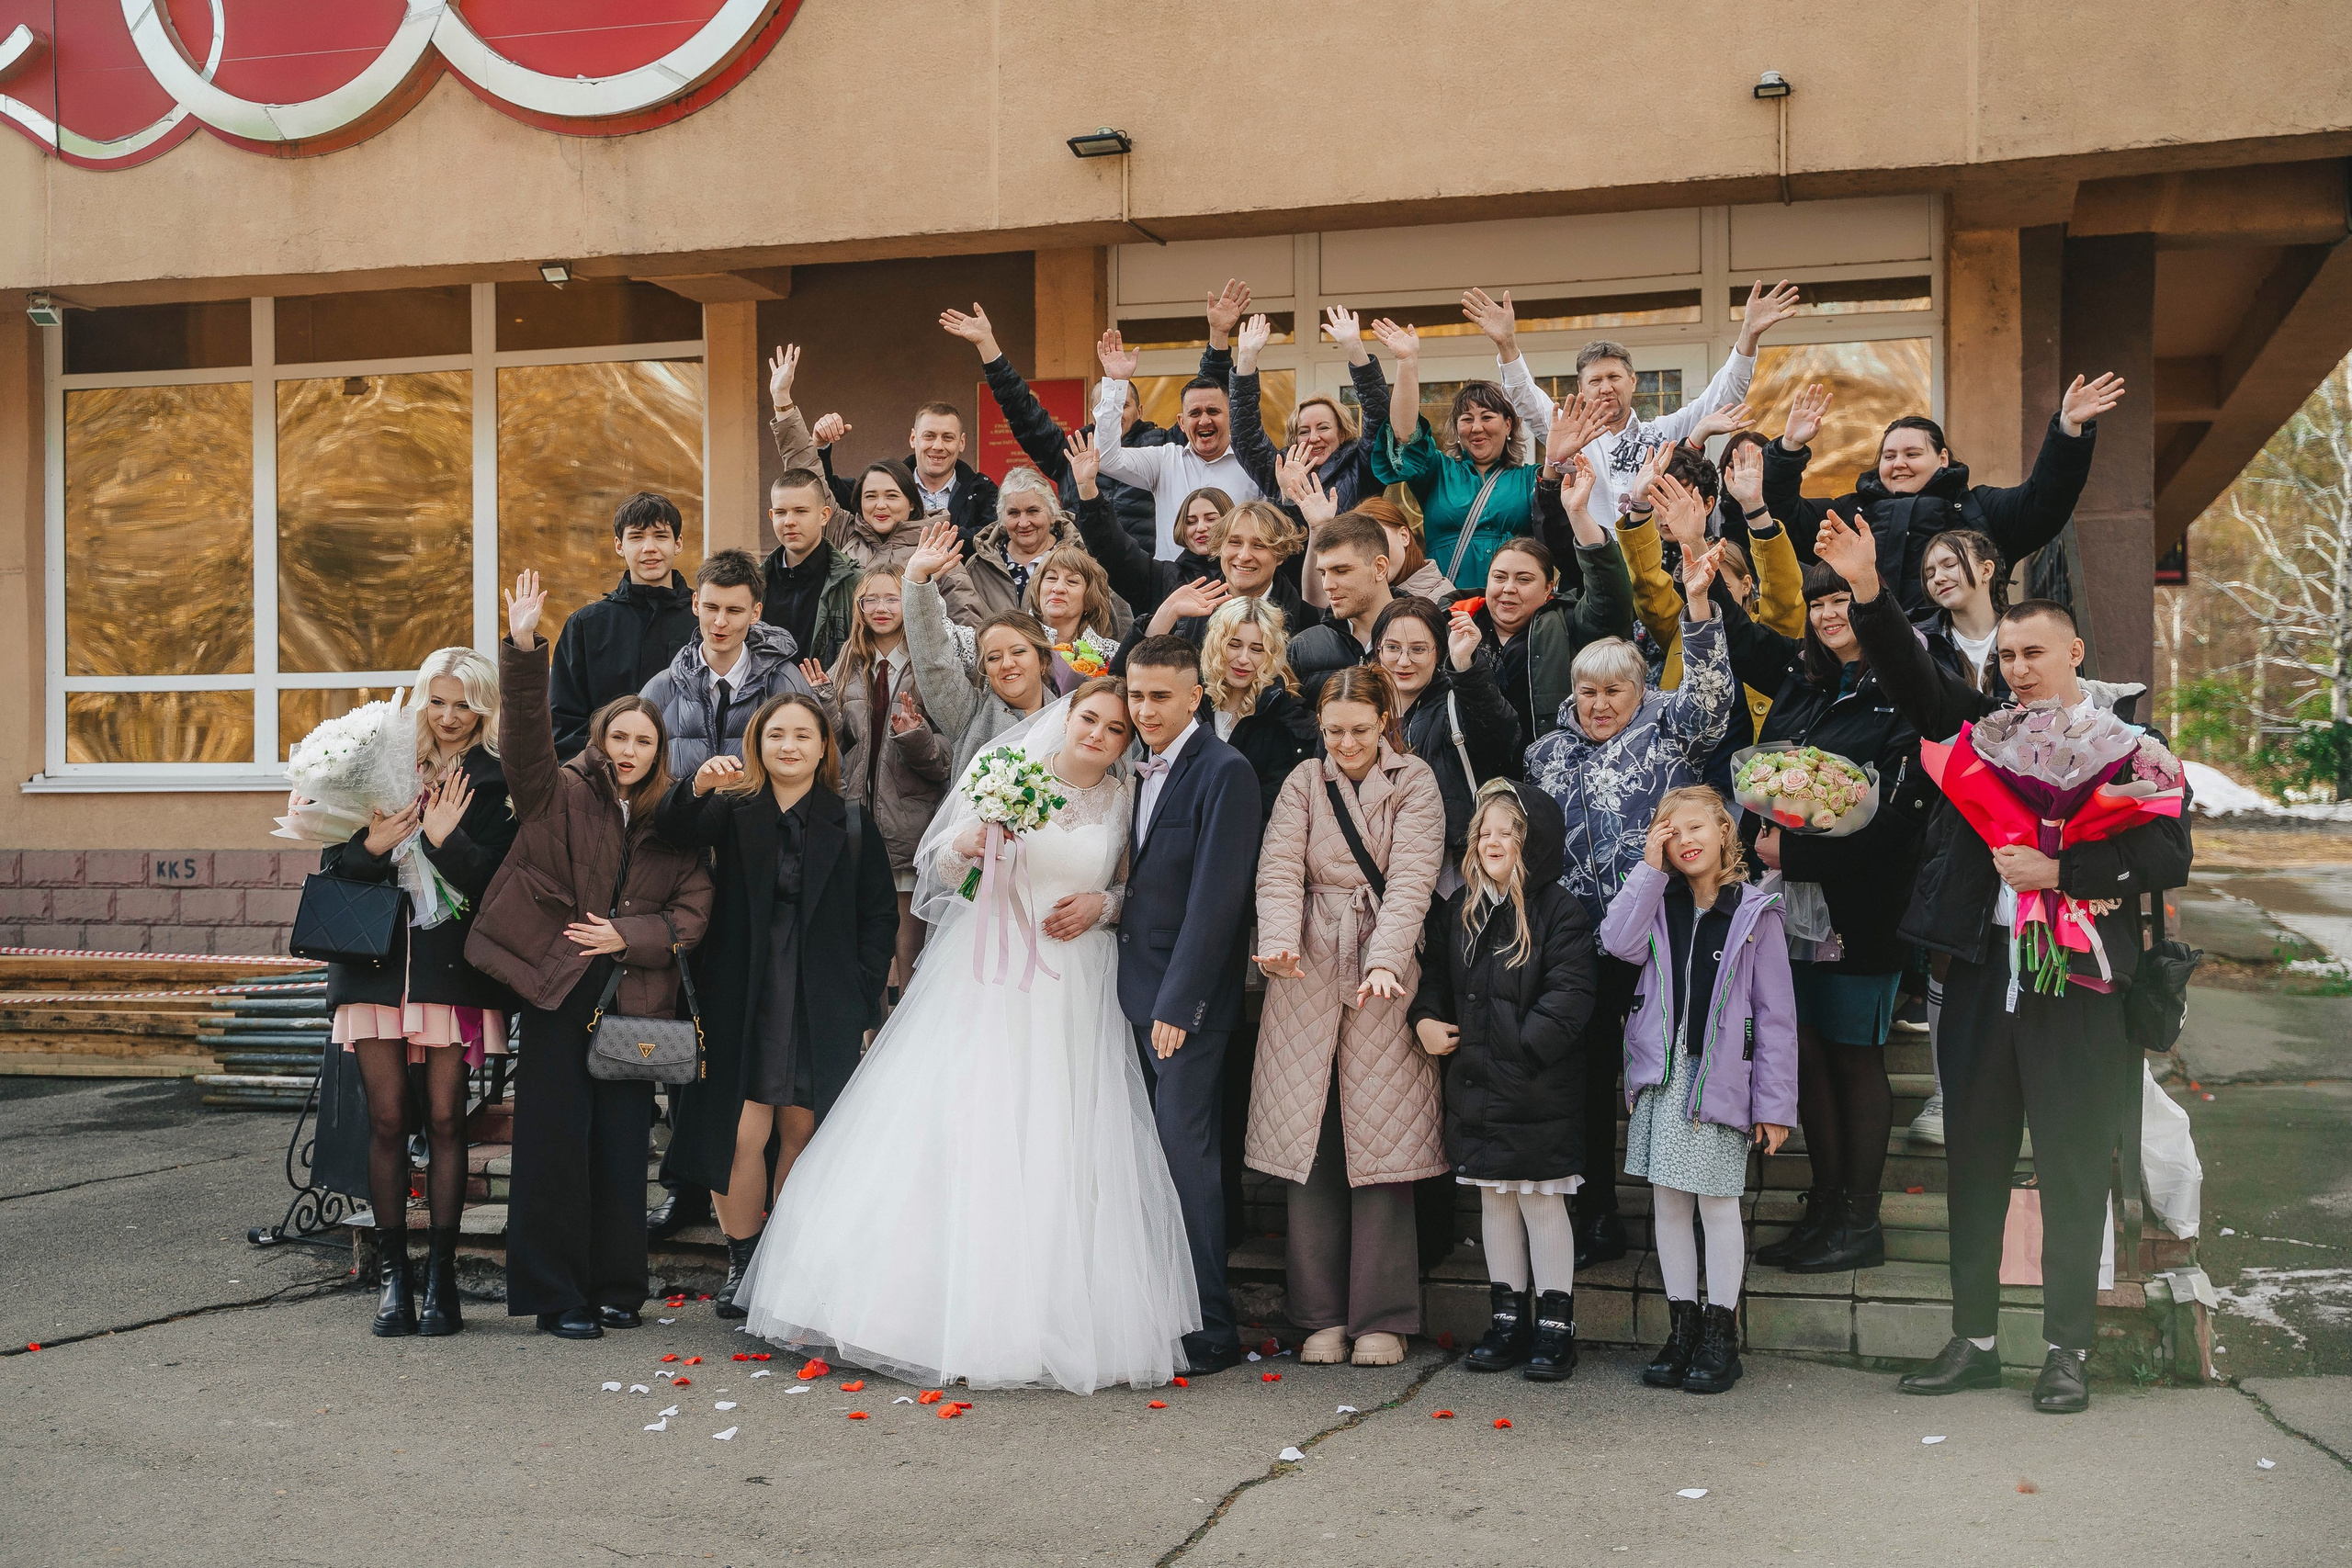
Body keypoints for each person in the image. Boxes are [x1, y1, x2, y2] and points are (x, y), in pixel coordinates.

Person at [1815, 511, 2193, 1416]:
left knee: (2069, 1168)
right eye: (2008, 657)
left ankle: (2067, 1351)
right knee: (1975, 1167)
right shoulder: (1984, 730)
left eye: (2033, 653)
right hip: (1984, 974)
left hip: (2083, 988)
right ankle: (1974, 1341)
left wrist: (2065, 870)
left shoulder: (2129, 746)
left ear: (2074, 656)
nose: (2017, 668)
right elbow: (1914, 686)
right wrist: (1868, 592)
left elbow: (2169, 857)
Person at [735, 680, 1202, 1393]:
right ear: (1065, 717)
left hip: (1076, 982)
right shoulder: (1002, 771)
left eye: (1114, 729)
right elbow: (940, 871)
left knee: (1062, 1135)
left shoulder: (1125, 798)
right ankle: (914, 1309)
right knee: (965, 1121)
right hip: (988, 975)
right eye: (1089, 718)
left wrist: (1105, 903)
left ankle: (1049, 1313)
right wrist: (968, 839)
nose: (1099, 735)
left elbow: (1138, 887)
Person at [467, 570, 713, 1340]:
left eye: (645, 740)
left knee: (619, 1144)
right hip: (556, 988)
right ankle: (555, 1294)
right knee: (552, 1143)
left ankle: (615, 1286)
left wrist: (628, 937)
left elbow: (692, 913)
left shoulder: (675, 821)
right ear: (600, 739)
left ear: (657, 750)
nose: (631, 750)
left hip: (633, 994)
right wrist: (522, 645)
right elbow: (527, 737)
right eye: (620, 737)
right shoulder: (557, 789)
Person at [1523, 544, 1739, 1266]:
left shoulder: (1671, 730)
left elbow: (1711, 698)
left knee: (1666, 1070)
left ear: (1640, 690)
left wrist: (1699, 607)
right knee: (1583, 1078)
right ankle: (1597, 1218)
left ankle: (1687, 1210)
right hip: (1576, 941)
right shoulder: (1547, 753)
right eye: (1588, 692)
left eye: (1615, 690)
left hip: (1662, 936)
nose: (1601, 704)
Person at [654, 694, 898, 1319]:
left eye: (803, 735)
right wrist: (698, 787)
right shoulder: (734, 812)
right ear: (756, 744)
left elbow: (878, 914)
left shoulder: (850, 821)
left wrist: (865, 992)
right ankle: (745, 1258)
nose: (789, 746)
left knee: (803, 1131)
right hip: (743, 995)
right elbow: (673, 830)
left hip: (825, 999)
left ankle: (786, 1260)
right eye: (775, 734)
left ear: (823, 748)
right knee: (738, 1133)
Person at [1723, 560, 1930, 1273]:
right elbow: (1771, 775)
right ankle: (1825, 1202)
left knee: (1853, 1054)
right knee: (1804, 1053)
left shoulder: (1906, 691)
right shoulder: (1803, 679)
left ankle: (1859, 1219)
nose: (1829, 613)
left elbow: (1900, 823)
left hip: (1862, 907)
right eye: (1818, 602)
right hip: (1786, 905)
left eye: (1842, 599)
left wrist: (1801, 857)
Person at [1249, 665, 1446, 1368]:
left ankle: (1383, 1315)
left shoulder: (1416, 782)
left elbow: (1415, 878)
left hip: (1382, 970)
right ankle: (1320, 1314)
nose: (1346, 743)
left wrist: (1389, 959)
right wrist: (1275, 935)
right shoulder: (1305, 781)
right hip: (1304, 963)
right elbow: (1278, 866)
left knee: (1383, 1142)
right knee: (1312, 1141)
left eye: (1359, 730)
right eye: (1333, 731)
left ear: (1384, 719)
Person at [320, 648, 515, 1338]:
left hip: (449, 973)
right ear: (420, 701)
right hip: (375, 969)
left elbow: (499, 882)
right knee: (384, 1121)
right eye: (438, 700)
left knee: (445, 1120)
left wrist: (442, 839)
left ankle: (442, 1279)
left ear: (485, 706)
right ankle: (393, 1278)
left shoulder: (495, 780)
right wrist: (371, 844)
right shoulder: (380, 764)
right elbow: (334, 864)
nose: (450, 716)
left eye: (464, 703)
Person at [1600, 786, 1797, 1394]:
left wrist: (1775, 1105)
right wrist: (1647, 871)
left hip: (1721, 1080)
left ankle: (1720, 1334)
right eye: (1669, 830)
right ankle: (1680, 1327)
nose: (1684, 839)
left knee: (1716, 1204)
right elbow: (1616, 942)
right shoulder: (1656, 903)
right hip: (1664, 1076)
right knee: (1668, 1205)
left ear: (1723, 833)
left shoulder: (1755, 913)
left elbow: (1776, 1018)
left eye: (1694, 827)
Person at [1410, 780, 1597, 1381]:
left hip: (1536, 1088)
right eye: (1483, 831)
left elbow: (1569, 997)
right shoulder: (1461, 908)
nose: (1491, 840)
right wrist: (1425, 1020)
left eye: (1506, 831)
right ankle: (1508, 1316)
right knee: (1495, 1201)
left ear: (1532, 840)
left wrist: (1520, 1049)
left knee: (1542, 1203)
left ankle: (1553, 1324)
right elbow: (1435, 977)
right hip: (1477, 1087)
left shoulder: (1558, 910)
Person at [1118, 637, 1267, 1375]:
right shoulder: (1133, 766)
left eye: (1159, 696)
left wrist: (1180, 1004)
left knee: (1186, 1159)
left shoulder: (1225, 771)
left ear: (1194, 696)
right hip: (1129, 993)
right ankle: (1158, 1309)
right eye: (1136, 694)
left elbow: (1218, 900)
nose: (1144, 709)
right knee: (1145, 1160)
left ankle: (1211, 1324)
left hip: (1184, 1008)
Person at [1762, 373, 2128, 609]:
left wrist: (2067, 431)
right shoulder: (1849, 512)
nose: (1898, 463)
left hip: (1955, 668)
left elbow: (2045, 501)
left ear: (1942, 459)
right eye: (1889, 456)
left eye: (1912, 453)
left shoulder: (1977, 508)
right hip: (1863, 665)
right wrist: (1789, 448)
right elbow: (1783, 517)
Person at [1506, 280, 1801, 525]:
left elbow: (1722, 398)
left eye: (1614, 377)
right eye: (1595, 381)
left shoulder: (1664, 433)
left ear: (1633, 381)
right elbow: (1527, 400)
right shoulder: (1570, 439)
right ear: (1581, 388)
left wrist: (1748, 334)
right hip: (1593, 570)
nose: (1606, 388)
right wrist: (1507, 346)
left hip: (1656, 566)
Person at [943, 298, 1210, 558]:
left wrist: (1219, 338)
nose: (1115, 412)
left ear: (1140, 411)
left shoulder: (1164, 447)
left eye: (1123, 405)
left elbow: (1206, 406)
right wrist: (987, 346)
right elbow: (1023, 412)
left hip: (1143, 575)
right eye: (1108, 405)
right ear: (1094, 412)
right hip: (1081, 574)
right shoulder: (1071, 452)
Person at [1904, 527, 2013, 1146]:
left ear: (1988, 566)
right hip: (1945, 812)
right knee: (1946, 948)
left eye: (1952, 563)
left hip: (2027, 813)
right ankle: (1946, 1094)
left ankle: (2013, 1088)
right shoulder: (1923, 642)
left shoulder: (2025, 631)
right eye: (1929, 569)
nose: (1939, 575)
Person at [798, 567, 948, 1007]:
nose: (881, 609)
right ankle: (868, 1031)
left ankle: (904, 1029)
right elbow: (838, 746)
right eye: (870, 601)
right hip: (856, 816)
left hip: (909, 817)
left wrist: (913, 734)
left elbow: (948, 756)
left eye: (892, 598)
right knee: (864, 932)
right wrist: (826, 702)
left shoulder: (929, 662)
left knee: (907, 940)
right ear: (858, 608)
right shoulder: (849, 659)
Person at [1364, 313, 1539, 589]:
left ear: (1508, 425)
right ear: (1457, 429)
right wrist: (1407, 363)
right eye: (1466, 419)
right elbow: (1405, 434)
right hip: (1446, 608)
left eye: (1487, 417)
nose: (1477, 427)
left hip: (1512, 606)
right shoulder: (1438, 472)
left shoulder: (1532, 479)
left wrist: (1507, 344)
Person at [1487, 444, 1638, 742]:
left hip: (1548, 770)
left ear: (1548, 589)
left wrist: (1578, 513)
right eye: (1499, 577)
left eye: (1524, 579)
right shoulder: (1459, 620)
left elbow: (1611, 596)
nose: (1508, 588)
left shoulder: (1569, 625)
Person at [1372, 596, 1520, 889]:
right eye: (1392, 648)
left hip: (1452, 868)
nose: (1403, 661)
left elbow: (1503, 738)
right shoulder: (1359, 709)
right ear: (1377, 650)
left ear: (1438, 653)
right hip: (1378, 865)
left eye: (1418, 649)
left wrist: (1465, 664)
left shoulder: (1457, 702)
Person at [1093, 318, 1263, 559]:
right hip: (1175, 590)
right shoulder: (1164, 460)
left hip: (1237, 591)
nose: (1204, 421)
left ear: (1231, 417)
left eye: (1213, 411)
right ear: (1182, 423)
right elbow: (1107, 458)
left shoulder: (1253, 465)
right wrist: (1117, 385)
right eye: (1195, 413)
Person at [640, 549, 814, 779]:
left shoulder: (786, 682)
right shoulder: (661, 688)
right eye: (711, 608)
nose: (720, 622)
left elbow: (824, 767)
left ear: (755, 613)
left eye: (734, 610)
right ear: (696, 604)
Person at [549, 491, 697, 761]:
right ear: (619, 545)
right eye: (637, 537)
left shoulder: (705, 621)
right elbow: (564, 718)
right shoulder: (586, 625)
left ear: (678, 544)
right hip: (604, 782)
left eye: (660, 536)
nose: (649, 547)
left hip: (688, 780)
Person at [903, 520, 1055, 775]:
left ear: (1042, 661)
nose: (1007, 664)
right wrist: (917, 579)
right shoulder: (967, 715)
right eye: (994, 658)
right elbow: (933, 661)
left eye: (1018, 651)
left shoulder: (1071, 719)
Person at [1229, 305, 1393, 519]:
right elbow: (1245, 436)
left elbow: (1379, 418)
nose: (1314, 438)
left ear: (1342, 433)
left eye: (1323, 427)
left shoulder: (1361, 465)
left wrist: (1354, 347)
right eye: (1304, 431)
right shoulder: (1281, 468)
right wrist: (1246, 358)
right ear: (1295, 439)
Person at [1124, 500, 1316, 656]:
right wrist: (1165, 613)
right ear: (1219, 548)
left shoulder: (1308, 620)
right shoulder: (1187, 610)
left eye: (1259, 545)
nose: (1244, 556)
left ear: (1280, 555)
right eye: (1235, 542)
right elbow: (1132, 680)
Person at [963, 467, 1133, 635]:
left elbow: (1120, 625)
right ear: (1002, 518)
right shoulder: (979, 567)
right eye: (1013, 513)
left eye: (1033, 511)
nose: (1023, 522)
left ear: (1053, 514)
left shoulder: (1087, 559)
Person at [810, 398, 1000, 548]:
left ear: (962, 442)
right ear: (913, 438)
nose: (938, 446)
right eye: (929, 436)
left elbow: (993, 538)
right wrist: (821, 446)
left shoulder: (983, 491)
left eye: (948, 438)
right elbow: (823, 493)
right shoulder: (883, 486)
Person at [1199, 594, 1317, 818]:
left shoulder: (1286, 717)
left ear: (1271, 655)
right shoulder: (1192, 702)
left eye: (1257, 649)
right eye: (1234, 645)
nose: (1244, 659)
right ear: (1216, 645)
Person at [761, 466, 860, 671]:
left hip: (827, 700)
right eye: (781, 512)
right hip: (764, 702)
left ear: (824, 516)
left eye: (800, 511)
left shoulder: (853, 582)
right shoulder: (755, 583)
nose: (789, 522)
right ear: (771, 516)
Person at [1286, 512, 1395, 694]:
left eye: (1341, 571)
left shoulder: (1427, 632)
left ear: (1379, 568)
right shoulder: (1303, 647)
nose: (1327, 585)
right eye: (1323, 573)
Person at [1025, 544, 1128, 694]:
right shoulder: (1012, 641)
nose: (1058, 588)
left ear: (1089, 599)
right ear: (1038, 589)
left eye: (1072, 581)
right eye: (1051, 578)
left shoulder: (1112, 654)